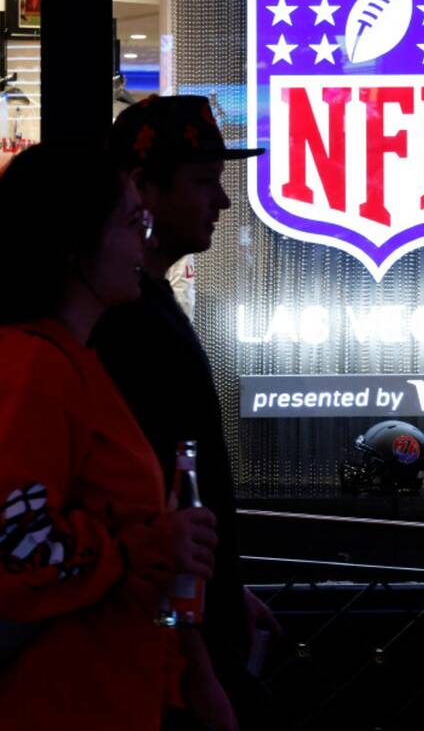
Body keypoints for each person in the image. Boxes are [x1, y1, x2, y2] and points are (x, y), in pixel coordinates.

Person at [0, 142, 220, 731]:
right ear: (76, 245)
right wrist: (151, 548)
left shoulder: (64, 361)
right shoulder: (25, 369)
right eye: (133, 222)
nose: (144, 242)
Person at [93, 95, 282, 731]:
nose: (223, 202)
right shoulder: (126, 323)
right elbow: (148, 506)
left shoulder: (144, 304)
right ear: (142, 188)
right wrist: (197, 663)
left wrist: (226, 594)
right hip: (164, 661)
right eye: (204, 182)